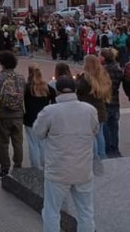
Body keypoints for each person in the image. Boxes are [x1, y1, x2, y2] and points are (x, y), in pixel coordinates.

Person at [33, 76, 99, 232]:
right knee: (86, 212)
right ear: (75, 90)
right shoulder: (89, 109)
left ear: (57, 90)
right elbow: (95, 130)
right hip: (83, 169)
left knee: (51, 211)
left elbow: (37, 133)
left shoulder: (49, 111)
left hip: (58, 170)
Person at [0, 50, 26, 178]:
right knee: (18, 142)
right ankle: (18, 165)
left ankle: (4, 168)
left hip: (3, 114)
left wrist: (0, 105)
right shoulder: (21, 78)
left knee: (3, 143)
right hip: (18, 114)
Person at [76, 55, 112, 159]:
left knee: (92, 135)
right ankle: (102, 154)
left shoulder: (85, 78)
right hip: (100, 108)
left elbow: (78, 90)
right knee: (99, 133)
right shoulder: (102, 76)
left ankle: (95, 156)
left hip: (88, 110)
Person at [24, 64, 56, 169]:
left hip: (30, 118)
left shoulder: (27, 88)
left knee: (33, 145)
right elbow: (54, 99)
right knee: (43, 144)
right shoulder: (47, 87)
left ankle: (35, 167)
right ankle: (44, 165)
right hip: (44, 118)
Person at [101, 48, 124, 156]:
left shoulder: (103, 70)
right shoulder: (118, 69)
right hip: (115, 100)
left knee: (105, 126)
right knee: (114, 126)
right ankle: (115, 146)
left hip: (105, 100)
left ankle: (108, 147)